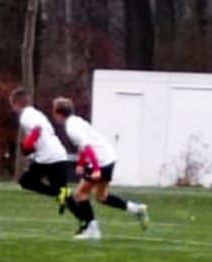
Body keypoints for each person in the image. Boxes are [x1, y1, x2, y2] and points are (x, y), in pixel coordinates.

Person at [52, 97, 149, 239]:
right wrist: (81, 163)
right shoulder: (77, 121)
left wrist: (96, 169)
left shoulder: (71, 127)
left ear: (59, 114)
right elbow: (85, 145)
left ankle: (92, 229)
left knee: (80, 194)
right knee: (102, 196)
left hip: (100, 160)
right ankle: (137, 209)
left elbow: (88, 147)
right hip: (109, 157)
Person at [11, 87, 75, 216]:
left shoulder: (26, 116)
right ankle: (88, 220)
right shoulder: (35, 113)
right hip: (57, 153)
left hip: (47, 157)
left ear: (16, 104)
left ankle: (60, 194)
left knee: (26, 182)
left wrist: (28, 145)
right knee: (63, 192)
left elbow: (37, 130)